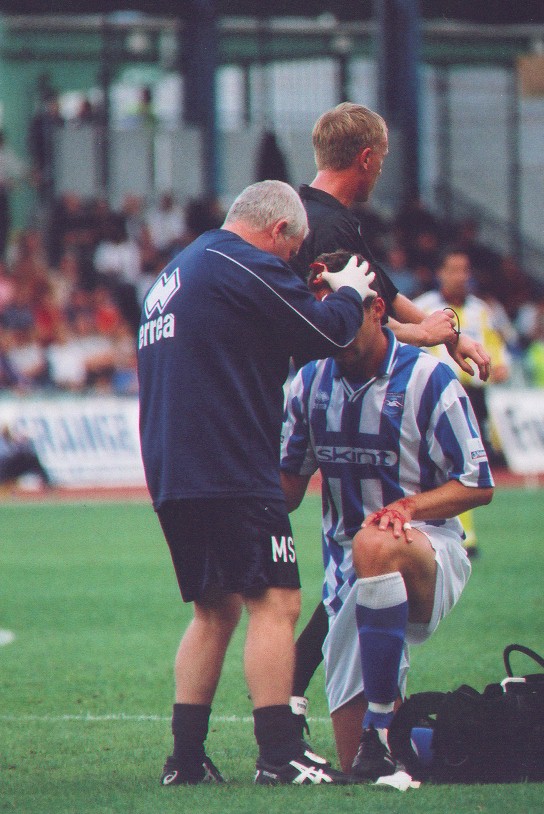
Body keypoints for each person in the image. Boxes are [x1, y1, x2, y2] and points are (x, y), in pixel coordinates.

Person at [137, 180, 379, 786]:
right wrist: (348, 295)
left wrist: (307, 302)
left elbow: (264, 337)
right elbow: (328, 335)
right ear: (277, 232)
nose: (293, 268)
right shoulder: (241, 261)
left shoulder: (182, 270)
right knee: (276, 602)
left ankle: (185, 761)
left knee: (213, 609)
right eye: (293, 254)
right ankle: (280, 754)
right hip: (230, 463)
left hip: (173, 468)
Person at [280, 250, 494, 778]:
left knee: (373, 540)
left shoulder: (429, 381)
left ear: (377, 309)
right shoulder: (309, 385)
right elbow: (284, 493)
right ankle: (466, 744)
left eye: (345, 315)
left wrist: (409, 505)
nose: (332, 331)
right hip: (344, 582)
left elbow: (478, 483)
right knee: (359, 766)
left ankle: (380, 732)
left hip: (427, 553)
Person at [291, 102, 490, 381]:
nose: (380, 171)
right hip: (329, 388)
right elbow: (354, 322)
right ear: (366, 159)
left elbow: (388, 296)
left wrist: (451, 337)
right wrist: (422, 335)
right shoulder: (329, 227)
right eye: (382, 160)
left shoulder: (315, 213)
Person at [414, 247, 511, 556]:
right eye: (453, 269)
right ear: (440, 272)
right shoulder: (423, 307)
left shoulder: (482, 310)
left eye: (464, 270)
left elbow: (496, 349)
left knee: (465, 463)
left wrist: (499, 364)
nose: (460, 276)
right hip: (433, 392)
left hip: (472, 395)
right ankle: (448, 531)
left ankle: (464, 533)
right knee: (437, 462)